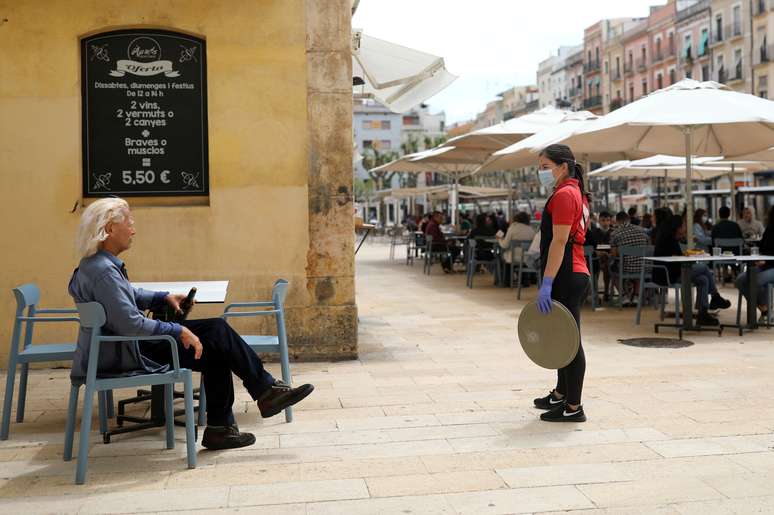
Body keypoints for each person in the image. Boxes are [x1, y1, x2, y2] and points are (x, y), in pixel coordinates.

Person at [69, 198, 314, 450]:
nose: (133, 229)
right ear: (109, 229)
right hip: (128, 351)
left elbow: (126, 294)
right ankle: (262, 393)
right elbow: (130, 324)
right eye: (129, 223)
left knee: (215, 347)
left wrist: (161, 297)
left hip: (119, 348)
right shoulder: (105, 272)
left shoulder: (94, 266)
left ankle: (225, 426)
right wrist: (179, 330)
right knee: (217, 330)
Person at [531, 144, 590, 423]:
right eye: (539, 168)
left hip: (567, 273)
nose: (541, 173)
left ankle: (574, 407)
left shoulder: (566, 194)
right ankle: (562, 395)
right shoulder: (572, 191)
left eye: (545, 167)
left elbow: (559, 241)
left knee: (571, 341)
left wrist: (547, 281)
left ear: (563, 166)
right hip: (570, 272)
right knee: (562, 337)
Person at [653, 214, 731, 326]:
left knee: (703, 279)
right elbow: (673, 258)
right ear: (678, 227)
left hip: (674, 271)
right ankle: (715, 296)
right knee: (704, 268)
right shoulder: (667, 239)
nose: (685, 227)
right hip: (669, 274)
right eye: (683, 224)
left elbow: (676, 257)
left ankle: (702, 314)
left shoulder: (671, 237)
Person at [736, 206, 774, 320]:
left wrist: (764, 261)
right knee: (740, 280)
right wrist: (760, 259)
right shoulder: (770, 229)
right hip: (766, 265)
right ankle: (764, 308)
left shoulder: (766, 227)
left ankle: (766, 309)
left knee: (755, 280)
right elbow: (762, 247)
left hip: (770, 266)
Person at [609, 211, 649, 305]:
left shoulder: (615, 233)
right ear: (629, 219)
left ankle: (624, 296)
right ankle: (636, 296)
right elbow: (648, 246)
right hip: (644, 267)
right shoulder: (642, 230)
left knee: (612, 270)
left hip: (626, 267)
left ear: (617, 221)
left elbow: (614, 254)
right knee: (638, 265)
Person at [498, 211, 536, 282]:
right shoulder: (531, 230)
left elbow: (504, 245)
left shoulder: (512, 228)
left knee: (502, 256)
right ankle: (525, 280)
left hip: (513, 257)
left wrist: (499, 239)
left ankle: (507, 280)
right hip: (527, 257)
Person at [590, 211, 613, 300]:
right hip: (596, 258)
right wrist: (597, 252)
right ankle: (595, 292)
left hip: (609, 258)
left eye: (607, 220)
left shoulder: (613, 232)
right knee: (596, 267)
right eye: (603, 220)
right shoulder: (593, 233)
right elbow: (591, 247)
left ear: (610, 221)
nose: (605, 223)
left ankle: (606, 291)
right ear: (599, 221)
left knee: (607, 266)